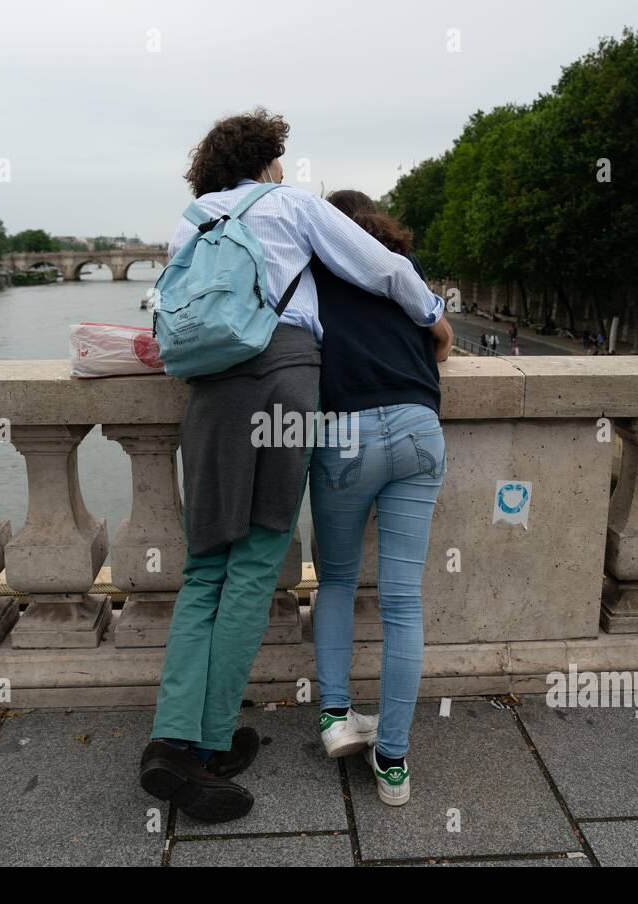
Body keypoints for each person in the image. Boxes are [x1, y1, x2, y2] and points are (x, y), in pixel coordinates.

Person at [138, 109, 449, 823]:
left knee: (205, 562)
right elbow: (382, 267)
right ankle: (203, 746)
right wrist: (435, 315)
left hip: (210, 393)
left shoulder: (191, 221)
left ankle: (175, 738)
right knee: (254, 560)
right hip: (280, 382)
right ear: (269, 160)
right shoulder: (291, 203)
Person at [308, 189, 451, 807]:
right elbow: (441, 341)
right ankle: (393, 762)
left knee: (337, 580)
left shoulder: (312, 275)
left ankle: (336, 716)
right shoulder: (402, 272)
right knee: (402, 603)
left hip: (344, 433)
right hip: (420, 428)